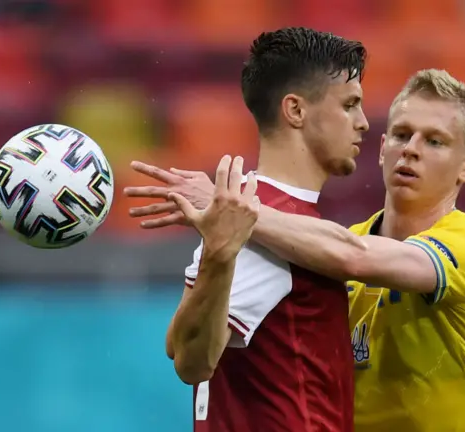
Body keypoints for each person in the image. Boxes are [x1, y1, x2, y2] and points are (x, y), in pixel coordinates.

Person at [126, 69, 465, 432]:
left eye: (434, 141)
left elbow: (355, 256)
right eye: (401, 134)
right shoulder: (325, 245)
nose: (410, 150)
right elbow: (183, 347)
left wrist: (229, 206)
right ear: (380, 149)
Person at [126, 27, 369, 432]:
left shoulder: (254, 214)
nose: (362, 122)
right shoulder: (263, 227)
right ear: (295, 111)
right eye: (349, 105)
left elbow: (178, 341)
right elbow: (192, 359)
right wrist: (220, 255)